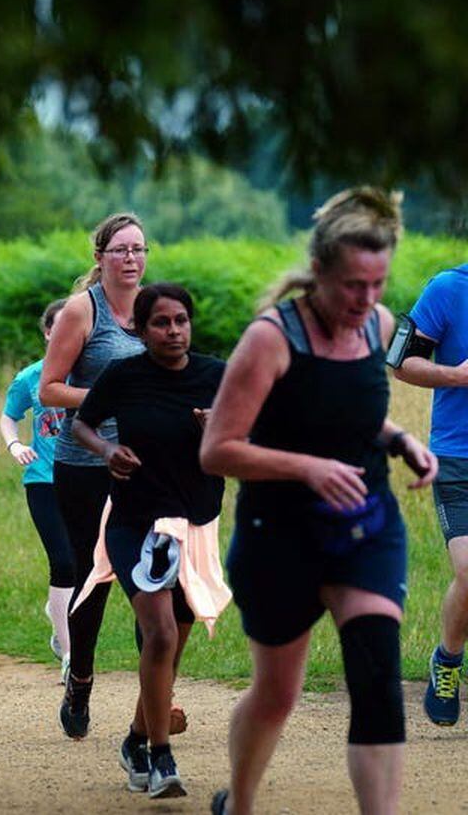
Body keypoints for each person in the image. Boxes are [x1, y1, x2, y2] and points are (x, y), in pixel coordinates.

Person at [199, 188, 437, 815]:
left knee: (378, 677)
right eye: (353, 285)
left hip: (364, 528)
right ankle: (241, 801)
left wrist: (400, 439)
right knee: (278, 693)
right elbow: (218, 449)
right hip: (278, 535)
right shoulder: (270, 339)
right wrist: (306, 469)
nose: (367, 300)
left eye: (379, 284)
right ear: (321, 271)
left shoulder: (379, 327)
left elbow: (348, 416)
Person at [72, 284, 228, 799]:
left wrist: (218, 432)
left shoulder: (216, 376)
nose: (174, 331)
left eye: (181, 320)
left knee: (173, 644)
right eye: (161, 323)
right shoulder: (125, 376)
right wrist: (107, 449)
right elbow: (81, 424)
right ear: (140, 329)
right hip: (135, 521)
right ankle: (162, 757)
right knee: (159, 633)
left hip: (195, 525)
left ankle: (137, 738)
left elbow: (248, 440)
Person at [39, 212, 148, 739]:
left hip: (145, 465)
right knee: (92, 579)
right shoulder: (83, 312)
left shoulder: (155, 311)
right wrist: (111, 396)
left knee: (151, 580)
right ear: (100, 257)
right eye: (121, 250)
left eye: (139, 250)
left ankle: (155, 695)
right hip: (84, 466)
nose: (131, 259)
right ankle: (80, 679)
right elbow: (50, 389)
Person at [391, 262, 468, 726]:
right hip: (458, 457)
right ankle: (448, 659)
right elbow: (400, 363)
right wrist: (457, 377)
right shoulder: (447, 288)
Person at [0, 298, 70, 681]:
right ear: (47, 333)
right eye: (57, 328)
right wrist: (15, 445)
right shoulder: (31, 377)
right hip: (42, 479)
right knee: (63, 561)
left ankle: (58, 616)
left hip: (86, 478)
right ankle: (70, 656)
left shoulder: (90, 373)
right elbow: (8, 417)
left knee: (89, 565)